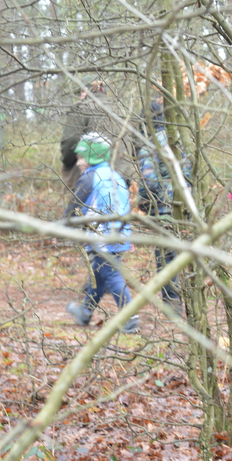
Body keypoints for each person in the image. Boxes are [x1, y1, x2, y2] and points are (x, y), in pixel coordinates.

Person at [65, 132, 140, 333]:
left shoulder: (90, 178)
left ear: (91, 157)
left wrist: (64, 227)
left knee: (111, 275)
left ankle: (129, 317)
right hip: (118, 233)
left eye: (81, 158)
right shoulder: (114, 175)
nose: (79, 162)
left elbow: (76, 207)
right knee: (98, 276)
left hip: (103, 236)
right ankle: (85, 312)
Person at [136, 98, 187, 309]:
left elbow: (150, 183)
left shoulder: (151, 145)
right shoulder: (180, 140)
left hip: (164, 207)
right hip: (186, 205)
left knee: (165, 254)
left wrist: (144, 205)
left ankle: (172, 300)